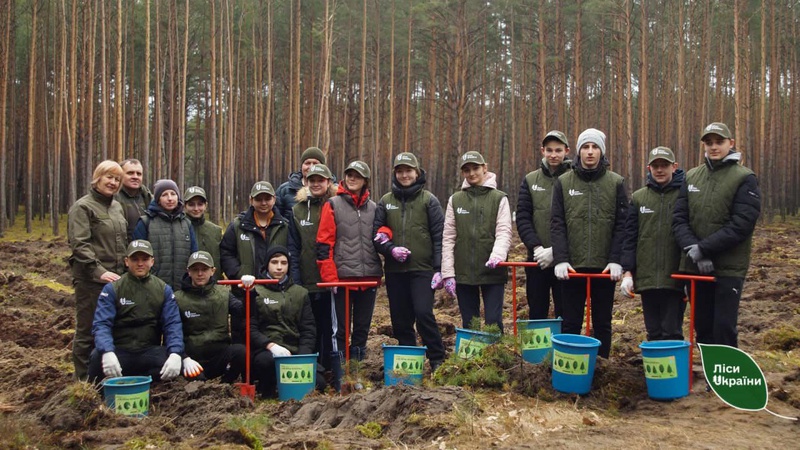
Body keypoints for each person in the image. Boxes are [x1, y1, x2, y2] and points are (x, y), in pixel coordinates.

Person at [673, 122, 761, 348]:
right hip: (696, 266)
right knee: (702, 326)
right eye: (709, 143)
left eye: (719, 142)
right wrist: (694, 250)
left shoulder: (744, 177)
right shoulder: (692, 176)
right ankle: (707, 374)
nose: (714, 147)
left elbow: (742, 223)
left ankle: (726, 379)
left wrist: (705, 249)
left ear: (730, 144)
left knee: (723, 326)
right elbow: (679, 219)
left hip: (728, 268)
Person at [551, 128, 628, 358]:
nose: (590, 152)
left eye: (595, 147)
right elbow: (557, 223)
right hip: (573, 268)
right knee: (571, 321)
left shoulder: (616, 183)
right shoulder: (564, 183)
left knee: (603, 322)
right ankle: (570, 365)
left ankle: (602, 366)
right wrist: (561, 259)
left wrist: (616, 260)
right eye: (585, 147)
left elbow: (622, 225)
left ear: (601, 152)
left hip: (604, 268)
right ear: (578, 151)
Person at [373, 152, 446, 371]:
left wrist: (439, 268)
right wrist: (390, 249)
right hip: (396, 271)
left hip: (423, 271)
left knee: (423, 313)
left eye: (408, 171)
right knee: (400, 320)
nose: (405, 175)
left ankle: (437, 359)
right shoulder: (386, 202)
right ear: (395, 173)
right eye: (400, 171)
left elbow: (439, 235)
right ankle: (410, 363)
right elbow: (376, 235)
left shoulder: (429, 201)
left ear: (417, 172)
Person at [87, 240, 184, 383]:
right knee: (96, 358)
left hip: (149, 351)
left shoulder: (163, 290)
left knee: (175, 366)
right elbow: (101, 324)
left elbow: (173, 324)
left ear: (152, 261)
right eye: (135, 259)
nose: (140, 264)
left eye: (144, 259)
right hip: (119, 352)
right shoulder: (113, 289)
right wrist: (107, 351)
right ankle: (97, 400)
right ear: (126, 261)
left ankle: (160, 398)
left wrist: (176, 353)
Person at [316, 160, 382, 370]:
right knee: (341, 330)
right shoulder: (333, 205)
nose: (352, 179)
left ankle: (357, 372)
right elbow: (324, 244)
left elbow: (383, 233)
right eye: (349, 174)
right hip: (342, 279)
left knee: (362, 329)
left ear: (365, 181)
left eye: (358, 176)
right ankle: (341, 374)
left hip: (369, 277)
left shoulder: (374, 208)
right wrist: (330, 278)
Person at [68, 160, 128, 380]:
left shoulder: (116, 206)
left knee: (112, 329)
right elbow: (79, 245)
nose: (113, 183)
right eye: (109, 177)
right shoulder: (83, 207)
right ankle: (83, 381)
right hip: (91, 281)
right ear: (98, 177)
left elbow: (122, 241)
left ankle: (106, 378)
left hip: (116, 278)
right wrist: (98, 271)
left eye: (117, 179)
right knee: (88, 331)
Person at [441, 151, 512, 333]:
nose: (471, 173)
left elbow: (504, 231)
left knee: (493, 321)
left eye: (475, 168)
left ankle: (495, 358)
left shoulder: (499, 198)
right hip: (464, 271)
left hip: (492, 270)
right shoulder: (455, 200)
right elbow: (448, 237)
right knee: (469, 322)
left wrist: (497, 256)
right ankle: (472, 360)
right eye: (466, 170)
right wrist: (448, 272)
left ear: (485, 168)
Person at [620, 147, 686, 341]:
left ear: (674, 167)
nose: (660, 170)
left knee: (671, 330)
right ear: (648, 168)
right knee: (654, 331)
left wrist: (688, 273)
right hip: (647, 278)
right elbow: (630, 237)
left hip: (674, 278)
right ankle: (655, 370)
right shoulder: (639, 197)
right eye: (655, 166)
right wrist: (628, 272)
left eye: (664, 165)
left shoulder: (684, 196)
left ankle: (673, 370)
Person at [220, 181, 289, 343]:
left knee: (270, 333)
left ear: (274, 199)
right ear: (251, 200)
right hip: (244, 291)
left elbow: (291, 255)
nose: (263, 203)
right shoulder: (238, 225)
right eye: (259, 199)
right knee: (242, 333)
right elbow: (226, 252)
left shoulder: (284, 226)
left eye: (267, 198)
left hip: (275, 291)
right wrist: (238, 274)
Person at [288, 164, 338, 381]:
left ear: (328, 182)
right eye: (312, 180)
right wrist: (296, 280)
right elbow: (293, 247)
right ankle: (313, 370)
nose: (316, 184)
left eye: (321, 180)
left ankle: (331, 369)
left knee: (331, 327)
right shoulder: (297, 210)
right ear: (306, 182)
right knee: (311, 327)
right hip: (307, 280)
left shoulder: (337, 205)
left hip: (331, 280)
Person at [249, 246, 319, 398]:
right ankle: (268, 391)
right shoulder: (256, 291)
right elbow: (250, 327)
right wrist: (270, 345)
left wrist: (302, 357)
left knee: (319, 382)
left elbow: (308, 329)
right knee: (264, 363)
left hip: (293, 351)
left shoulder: (300, 293)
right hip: (267, 351)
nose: (279, 267)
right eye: (274, 262)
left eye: (284, 263)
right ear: (267, 264)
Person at [516, 130, 572, 319]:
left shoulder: (575, 179)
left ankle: (562, 348)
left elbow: (577, 222)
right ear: (542, 151)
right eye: (549, 150)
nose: (553, 155)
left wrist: (557, 251)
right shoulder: (531, 180)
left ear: (567, 151)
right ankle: (537, 350)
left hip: (567, 260)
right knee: (537, 311)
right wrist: (536, 247)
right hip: (537, 260)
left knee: (565, 312)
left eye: (558, 150)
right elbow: (523, 217)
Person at [174, 251, 246, 382]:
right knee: (198, 382)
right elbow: (171, 332)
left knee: (240, 352)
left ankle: (225, 386)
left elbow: (244, 311)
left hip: (219, 356)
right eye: (195, 270)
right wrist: (184, 357)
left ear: (213, 271)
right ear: (188, 271)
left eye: (204, 269)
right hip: (192, 360)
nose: (200, 274)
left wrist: (249, 292)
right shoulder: (178, 298)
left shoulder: (224, 294)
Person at [133, 179, 198, 289]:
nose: (170, 198)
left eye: (173, 194)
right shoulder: (146, 222)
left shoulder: (186, 223)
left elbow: (194, 255)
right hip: (152, 288)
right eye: (164, 194)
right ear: (158, 199)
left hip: (182, 288)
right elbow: (135, 257)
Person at [275, 146, 327, 220]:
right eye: (307, 163)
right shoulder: (284, 190)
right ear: (302, 166)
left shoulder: (334, 192)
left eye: (315, 163)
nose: (311, 167)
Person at [184, 186, 222, 269]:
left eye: (200, 204)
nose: (196, 208)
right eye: (191, 204)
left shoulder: (216, 231)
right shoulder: (179, 229)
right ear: (185, 206)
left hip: (213, 280)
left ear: (206, 205)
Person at [115, 159, 153, 240]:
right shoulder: (112, 198)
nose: (135, 177)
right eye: (130, 173)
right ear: (120, 175)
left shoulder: (148, 198)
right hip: (122, 250)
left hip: (145, 249)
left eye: (139, 174)